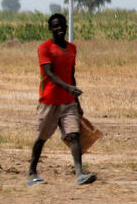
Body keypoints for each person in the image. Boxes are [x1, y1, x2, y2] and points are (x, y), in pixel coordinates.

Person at [27, 13, 96, 186]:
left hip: (68, 102)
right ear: (50, 29)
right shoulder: (45, 48)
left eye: (62, 25)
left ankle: (80, 173)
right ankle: (32, 171)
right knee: (41, 138)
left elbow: (71, 76)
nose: (59, 29)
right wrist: (68, 88)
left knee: (73, 135)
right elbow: (49, 74)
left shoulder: (72, 49)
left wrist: (77, 102)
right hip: (49, 101)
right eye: (55, 26)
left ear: (66, 27)